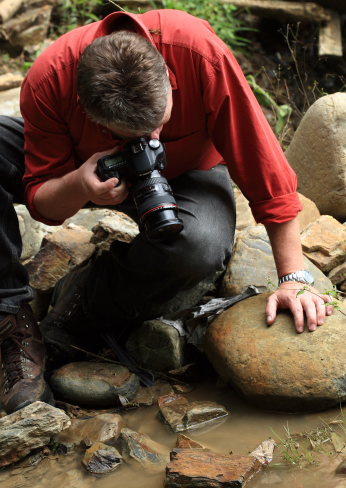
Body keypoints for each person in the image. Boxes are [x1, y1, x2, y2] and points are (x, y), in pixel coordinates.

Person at [0, 8, 333, 414]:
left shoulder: (198, 53)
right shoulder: (51, 76)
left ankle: (86, 298)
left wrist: (294, 277)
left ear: (167, 76)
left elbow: (261, 161)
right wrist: (78, 185)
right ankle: (11, 316)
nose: (150, 142)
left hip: (185, 174)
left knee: (200, 247)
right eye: (135, 138)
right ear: (87, 109)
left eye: (160, 127)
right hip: (82, 170)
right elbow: (44, 203)